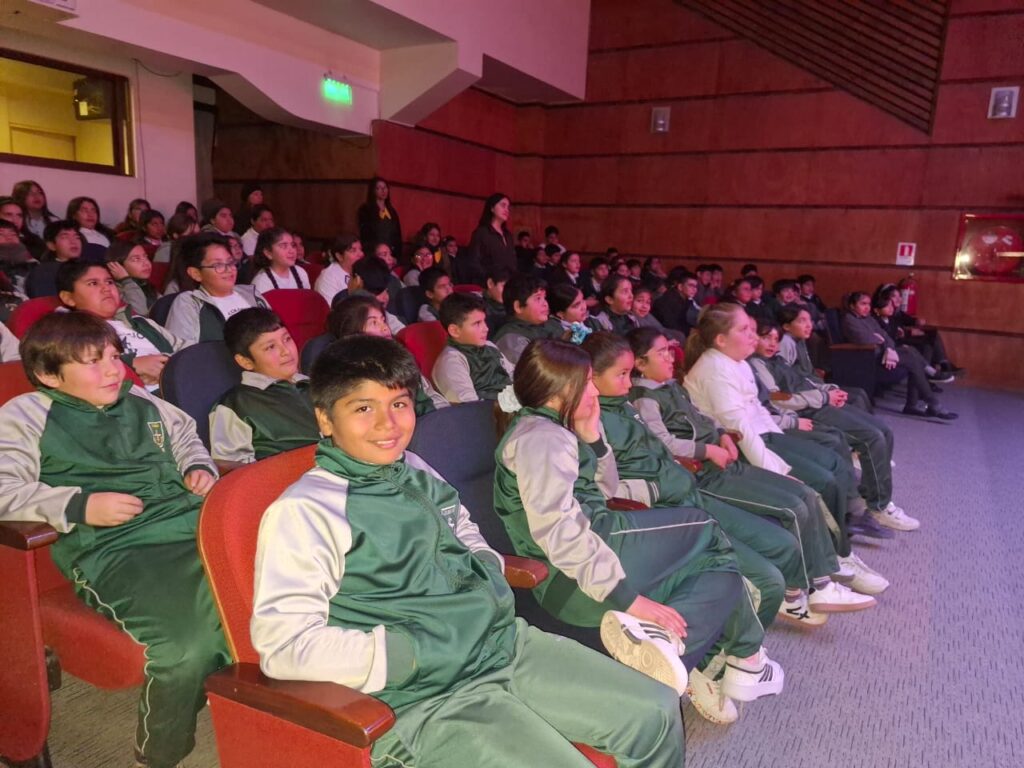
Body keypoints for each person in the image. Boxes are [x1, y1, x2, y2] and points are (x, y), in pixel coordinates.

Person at [250, 334, 684, 768]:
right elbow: (283, 646)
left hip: (503, 645)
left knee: (657, 713)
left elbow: (466, 531)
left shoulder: (415, 469)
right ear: (326, 419)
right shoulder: (307, 512)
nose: (388, 424)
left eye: (399, 404)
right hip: (426, 695)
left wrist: (489, 575)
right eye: (363, 408)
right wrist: (410, 653)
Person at [493, 339, 783, 723]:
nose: (594, 390)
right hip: (576, 579)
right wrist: (628, 600)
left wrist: (593, 438)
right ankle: (747, 658)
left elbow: (604, 491)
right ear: (561, 389)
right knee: (707, 529)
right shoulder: (540, 438)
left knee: (723, 576)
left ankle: (669, 648)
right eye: (587, 382)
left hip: (600, 555)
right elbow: (558, 531)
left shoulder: (556, 428)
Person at [0, 312, 230, 768]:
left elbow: (186, 436)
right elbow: (4, 489)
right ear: (49, 375)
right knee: (186, 647)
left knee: (277, 593)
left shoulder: (139, 398)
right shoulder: (25, 414)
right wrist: (79, 505)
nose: (113, 370)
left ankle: (232, 695)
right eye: (92, 362)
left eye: (112, 356)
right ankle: (159, 753)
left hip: (191, 522)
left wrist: (197, 467)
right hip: (115, 546)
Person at [583, 331, 826, 632]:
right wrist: (662, 485)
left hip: (688, 492)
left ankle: (762, 623)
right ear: (592, 377)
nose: (630, 384)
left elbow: (659, 449)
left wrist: (678, 468)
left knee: (783, 544)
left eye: (630, 374)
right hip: (665, 509)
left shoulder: (624, 405)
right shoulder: (592, 420)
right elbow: (603, 488)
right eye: (622, 375)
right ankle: (738, 651)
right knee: (767, 579)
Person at [623, 327, 873, 615]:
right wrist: (707, 450)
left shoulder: (671, 387)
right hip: (701, 473)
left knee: (803, 492)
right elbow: (662, 442)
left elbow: (703, 417)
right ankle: (814, 588)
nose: (670, 357)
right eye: (661, 353)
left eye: (669, 350)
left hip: (724, 462)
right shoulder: (645, 398)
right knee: (793, 507)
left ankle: (822, 578)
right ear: (640, 364)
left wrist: (722, 434)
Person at [682, 303, 889, 597]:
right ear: (721, 340)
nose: (753, 336)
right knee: (823, 482)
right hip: (743, 448)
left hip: (766, 437)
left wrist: (787, 441)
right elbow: (741, 430)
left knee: (833, 461)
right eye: (745, 330)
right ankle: (834, 559)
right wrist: (777, 469)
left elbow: (758, 410)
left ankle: (839, 550)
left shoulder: (736, 362)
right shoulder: (714, 369)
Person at [751, 315, 917, 533]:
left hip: (818, 402)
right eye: (766, 338)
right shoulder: (756, 363)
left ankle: (870, 493)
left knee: (884, 430)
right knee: (872, 437)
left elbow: (804, 380)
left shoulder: (778, 359)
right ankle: (879, 506)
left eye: (775, 339)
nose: (773, 343)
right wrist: (822, 397)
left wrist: (827, 389)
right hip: (807, 409)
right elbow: (777, 399)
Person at [209, 308, 319, 467]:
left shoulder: (315, 385)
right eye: (270, 347)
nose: (286, 351)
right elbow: (230, 467)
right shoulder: (236, 404)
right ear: (246, 361)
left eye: (287, 339)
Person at [56, 262, 184, 390]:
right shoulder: (68, 334)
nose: (106, 288)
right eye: (93, 283)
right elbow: (76, 373)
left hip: (181, 383)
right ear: (68, 298)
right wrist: (131, 365)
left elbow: (186, 349)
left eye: (109, 282)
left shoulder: (140, 322)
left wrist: (168, 362)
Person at [841, 292, 957, 420]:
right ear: (852, 306)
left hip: (882, 353)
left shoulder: (869, 319)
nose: (867, 307)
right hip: (868, 358)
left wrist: (887, 348)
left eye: (868, 304)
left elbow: (886, 337)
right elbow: (865, 339)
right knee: (912, 359)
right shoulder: (849, 320)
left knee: (911, 352)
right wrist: (882, 343)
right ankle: (928, 395)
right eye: (863, 304)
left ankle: (926, 402)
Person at [326, 294, 448, 415]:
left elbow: (431, 394)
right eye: (374, 323)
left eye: (383, 320)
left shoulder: (401, 357)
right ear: (353, 333)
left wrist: (445, 417)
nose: (385, 327)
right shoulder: (353, 376)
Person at [166, 232, 268, 345]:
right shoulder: (189, 303)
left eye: (230, 262)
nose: (229, 269)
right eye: (218, 265)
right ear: (196, 274)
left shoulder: (251, 293)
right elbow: (182, 351)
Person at [432, 292, 516, 404]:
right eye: (477, 323)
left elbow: (513, 375)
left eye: (484, 321)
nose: (486, 328)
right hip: (490, 411)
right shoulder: (451, 361)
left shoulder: (489, 346)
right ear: (455, 331)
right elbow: (469, 406)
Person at [491, 274, 563, 364]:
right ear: (518, 307)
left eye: (544, 298)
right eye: (538, 298)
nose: (545, 304)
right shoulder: (510, 339)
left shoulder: (552, 324)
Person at [465, 193, 516, 284]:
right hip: (489, 284)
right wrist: (490, 280)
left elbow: (512, 262)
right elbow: (474, 263)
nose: (506, 210)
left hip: (509, 284)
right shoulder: (481, 233)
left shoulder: (508, 235)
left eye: (508, 207)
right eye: (503, 205)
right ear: (492, 208)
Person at [26, 220, 83, 298]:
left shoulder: (89, 267)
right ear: (51, 245)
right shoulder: (44, 272)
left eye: (77, 237)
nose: (73, 241)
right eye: (65, 237)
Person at [249, 227, 311, 293]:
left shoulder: (301, 273)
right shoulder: (261, 282)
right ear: (268, 253)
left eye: (293, 245)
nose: (292, 251)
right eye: (284, 246)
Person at [105, 240, 159, 314]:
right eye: (136, 259)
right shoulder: (116, 290)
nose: (146, 263)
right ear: (117, 265)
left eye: (146, 257)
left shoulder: (144, 284)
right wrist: (126, 280)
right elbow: (140, 313)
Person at [356, 177, 402, 260]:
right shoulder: (365, 210)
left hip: (391, 254)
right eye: (379, 188)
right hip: (373, 254)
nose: (383, 191)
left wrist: (396, 256)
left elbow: (397, 236)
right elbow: (365, 235)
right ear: (373, 191)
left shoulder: (392, 211)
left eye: (385, 188)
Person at [314, 234, 364, 305]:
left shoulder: (364, 270)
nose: (361, 254)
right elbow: (333, 309)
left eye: (361, 249)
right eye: (353, 251)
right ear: (339, 256)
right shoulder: (328, 278)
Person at [483, 267, 509, 335]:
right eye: (504, 286)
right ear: (490, 283)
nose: (509, 292)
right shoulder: (479, 307)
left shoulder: (513, 307)